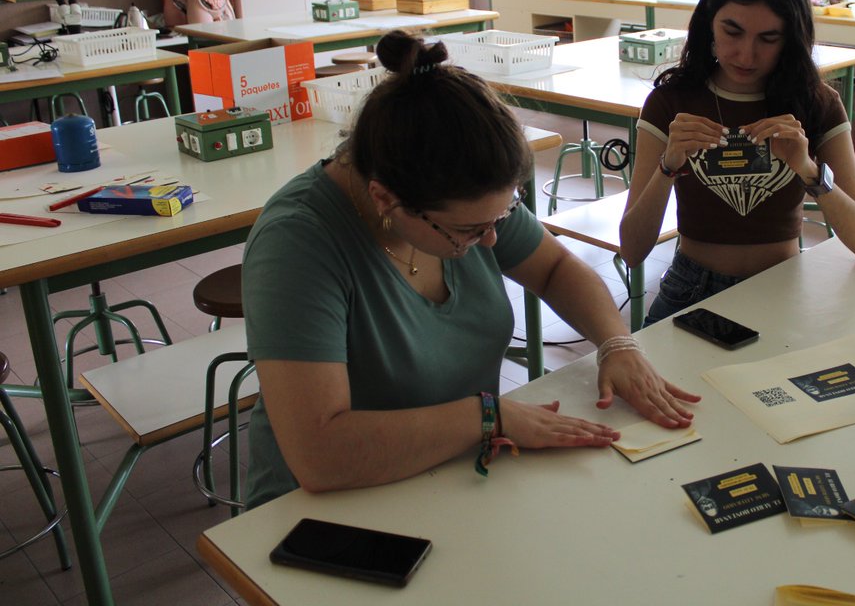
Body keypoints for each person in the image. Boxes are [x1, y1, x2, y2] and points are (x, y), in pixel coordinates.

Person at [242, 32, 699, 508]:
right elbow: (320, 455)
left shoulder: (466, 194)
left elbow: (556, 268)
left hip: (444, 477)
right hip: (318, 512)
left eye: (501, 218)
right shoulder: (298, 244)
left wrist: (616, 343)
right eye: (470, 230)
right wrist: (486, 418)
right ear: (385, 199)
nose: (491, 241)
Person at [620, 0, 855, 326]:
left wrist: (808, 170)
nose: (746, 54)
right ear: (710, 21)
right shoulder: (670, 101)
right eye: (733, 31)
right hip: (692, 288)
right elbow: (632, 248)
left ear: (790, 38)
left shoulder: (816, 104)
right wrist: (668, 167)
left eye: (768, 38)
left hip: (783, 287)